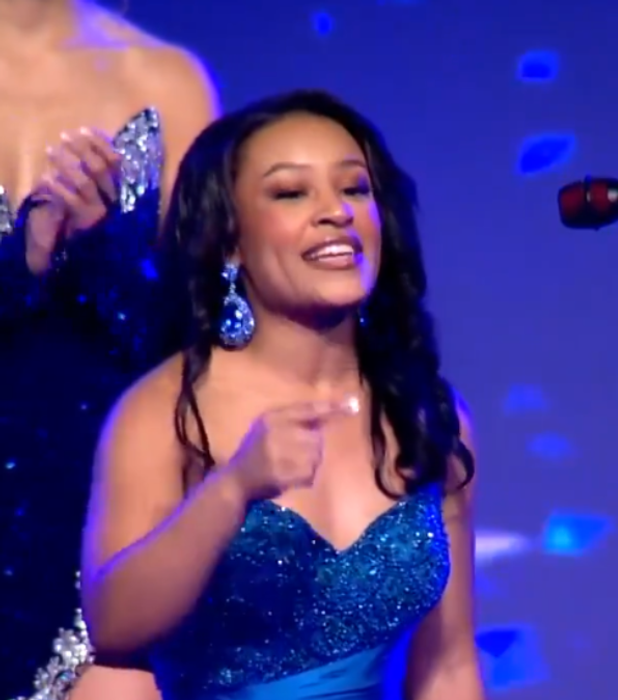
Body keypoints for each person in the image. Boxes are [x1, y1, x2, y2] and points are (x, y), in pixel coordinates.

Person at [77, 89, 485, 700]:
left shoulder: (427, 415)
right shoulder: (167, 410)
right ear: (229, 241)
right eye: (291, 193)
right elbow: (112, 627)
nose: (336, 212)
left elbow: (448, 667)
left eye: (354, 189)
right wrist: (233, 489)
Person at [0, 0, 218, 697]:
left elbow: (210, 333)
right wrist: (22, 261)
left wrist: (106, 257)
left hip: (97, 518)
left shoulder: (165, 79)